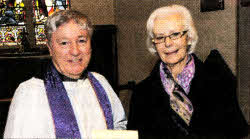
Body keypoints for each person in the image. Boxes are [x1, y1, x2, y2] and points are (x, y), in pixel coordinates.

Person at [127, 5, 248, 138]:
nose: (167, 43)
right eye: (160, 37)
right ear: (154, 43)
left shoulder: (219, 82)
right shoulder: (141, 94)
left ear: (189, 37)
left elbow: (237, 133)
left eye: (175, 34)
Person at [4, 10, 127, 138]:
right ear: (50, 48)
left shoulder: (100, 82)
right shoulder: (31, 92)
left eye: (81, 41)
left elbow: (119, 128)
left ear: (90, 45)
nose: (75, 51)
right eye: (64, 43)